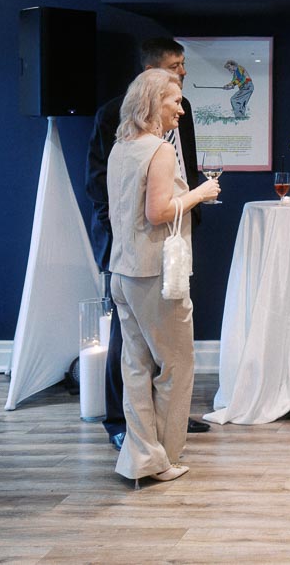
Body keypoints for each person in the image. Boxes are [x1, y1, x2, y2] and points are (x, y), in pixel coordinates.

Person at [85, 38, 208, 451]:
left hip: (157, 247)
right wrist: (198, 195)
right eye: (176, 68)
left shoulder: (142, 137)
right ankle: (148, 443)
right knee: (161, 357)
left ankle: (149, 440)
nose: (182, 104)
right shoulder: (128, 132)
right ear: (154, 80)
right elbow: (116, 194)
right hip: (145, 254)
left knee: (142, 357)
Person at [106, 69, 221, 485]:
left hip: (122, 270)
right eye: (175, 100)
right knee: (177, 365)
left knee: (135, 366)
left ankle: (139, 457)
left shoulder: (122, 147)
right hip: (155, 273)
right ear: (155, 102)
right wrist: (200, 194)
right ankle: (165, 458)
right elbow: (157, 212)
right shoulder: (160, 150)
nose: (181, 108)